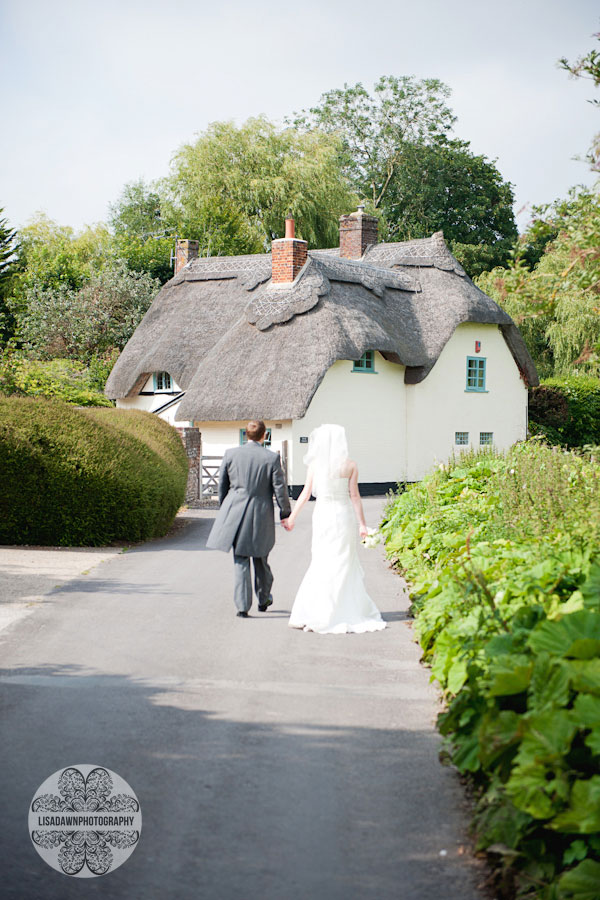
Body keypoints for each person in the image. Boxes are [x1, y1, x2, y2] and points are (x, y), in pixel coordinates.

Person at [282, 424, 386, 634]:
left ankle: (315, 610)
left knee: (322, 560)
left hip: (323, 515)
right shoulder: (350, 466)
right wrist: (362, 525)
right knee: (343, 560)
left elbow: (305, 494)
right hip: (343, 514)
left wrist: (292, 517)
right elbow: (355, 497)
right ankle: (342, 608)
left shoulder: (315, 466)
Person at [206, 420, 291, 617]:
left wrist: (225, 509)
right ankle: (264, 599)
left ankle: (242, 607)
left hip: (235, 511)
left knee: (240, 558)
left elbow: (222, 486)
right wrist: (285, 512)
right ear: (264, 436)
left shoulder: (231, 454)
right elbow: (280, 489)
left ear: (246, 435)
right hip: (261, 512)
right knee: (261, 558)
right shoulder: (271, 458)